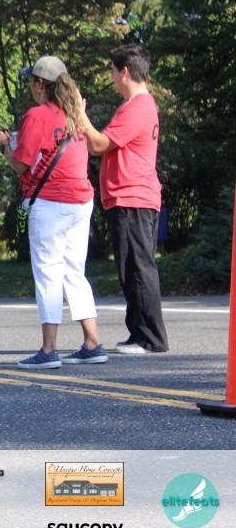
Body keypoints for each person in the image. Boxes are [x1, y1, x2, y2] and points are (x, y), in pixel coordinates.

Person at [0, 56, 106, 369]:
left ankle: (49, 350)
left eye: (31, 81)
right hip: (81, 201)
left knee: (48, 272)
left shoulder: (36, 115)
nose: (30, 87)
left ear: (40, 84)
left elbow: (21, 163)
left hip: (50, 203)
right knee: (74, 271)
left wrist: (3, 146)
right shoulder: (75, 115)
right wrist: (12, 140)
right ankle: (92, 342)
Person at [75, 44, 168, 354]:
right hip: (128, 197)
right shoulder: (135, 105)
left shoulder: (137, 107)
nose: (112, 77)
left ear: (125, 72)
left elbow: (99, 144)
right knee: (130, 268)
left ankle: (151, 338)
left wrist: (80, 115)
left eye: (113, 71)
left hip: (132, 197)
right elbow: (100, 145)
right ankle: (138, 331)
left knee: (138, 267)